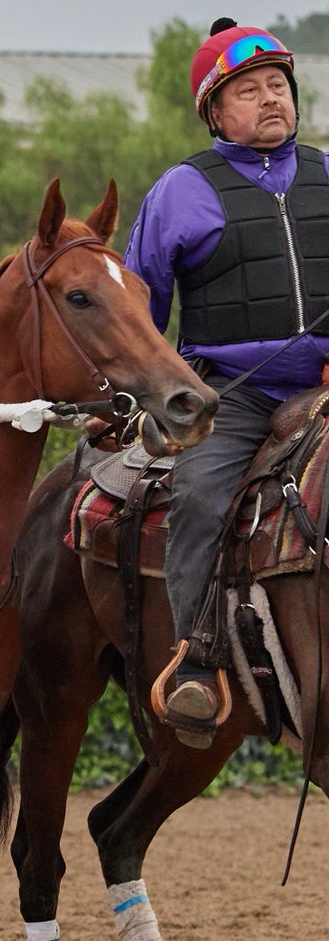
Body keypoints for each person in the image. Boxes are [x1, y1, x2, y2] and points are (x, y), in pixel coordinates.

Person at [124, 17, 329, 747]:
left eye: (278, 85)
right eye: (248, 90)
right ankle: (197, 658)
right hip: (236, 390)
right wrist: (138, 394)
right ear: (216, 112)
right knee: (201, 491)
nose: (270, 99)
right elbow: (137, 307)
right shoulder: (181, 189)